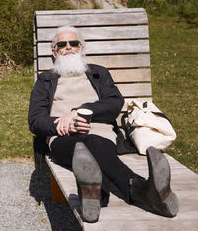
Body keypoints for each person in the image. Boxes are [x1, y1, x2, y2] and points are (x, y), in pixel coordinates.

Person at [28, 26, 179, 222]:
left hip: (100, 132)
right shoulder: (45, 80)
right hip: (63, 137)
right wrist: (60, 124)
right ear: (54, 51)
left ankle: (95, 195)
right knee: (85, 147)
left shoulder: (99, 73)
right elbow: (35, 120)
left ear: (81, 48)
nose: (68, 48)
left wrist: (78, 112)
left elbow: (115, 103)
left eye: (73, 43)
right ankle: (141, 189)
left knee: (94, 144)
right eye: (61, 44)